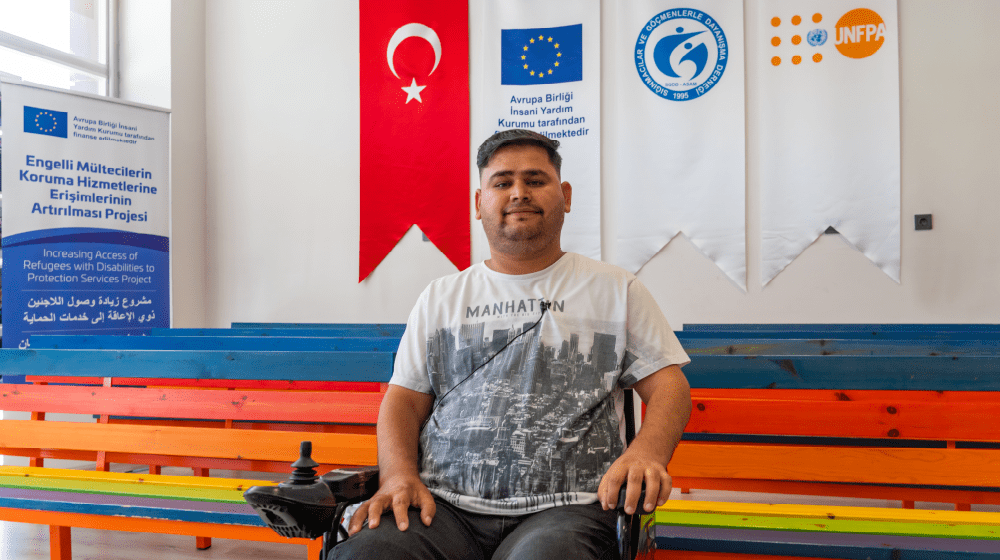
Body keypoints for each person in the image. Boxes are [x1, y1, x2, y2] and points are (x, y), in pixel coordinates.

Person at [332, 129, 691, 560]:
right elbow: (403, 402)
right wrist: (397, 476)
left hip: (570, 510)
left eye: (536, 180)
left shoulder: (616, 288)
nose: (519, 193)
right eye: (502, 183)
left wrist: (647, 453)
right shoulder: (440, 297)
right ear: (478, 203)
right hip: (441, 507)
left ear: (566, 195)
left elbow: (669, 386)